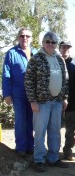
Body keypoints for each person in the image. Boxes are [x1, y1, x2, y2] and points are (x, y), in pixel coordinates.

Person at [25, 32, 69, 172]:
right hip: (41, 103)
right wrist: (32, 101)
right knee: (40, 132)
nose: (50, 44)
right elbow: (28, 81)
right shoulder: (36, 59)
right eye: (48, 41)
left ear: (57, 44)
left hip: (57, 102)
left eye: (53, 42)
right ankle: (39, 160)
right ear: (43, 43)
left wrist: (65, 97)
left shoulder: (60, 59)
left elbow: (66, 80)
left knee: (55, 131)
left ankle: (53, 158)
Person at [2, 27, 37, 157]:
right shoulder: (12, 53)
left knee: (31, 120)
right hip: (18, 93)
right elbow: (6, 74)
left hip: (33, 94)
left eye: (28, 36)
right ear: (18, 37)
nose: (25, 38)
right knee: (21, 120)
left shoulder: (35, 53)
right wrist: (6, 94)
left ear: (31, 39)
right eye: (22, 36)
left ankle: (30, 146)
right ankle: (21, 147)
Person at [59, 40, 75, 161]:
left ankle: (68, 151)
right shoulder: (54, 63)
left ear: (70, 49)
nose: (65, 49)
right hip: (56, 102)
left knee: (70, 130)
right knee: (55, 129)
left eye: (67, 47)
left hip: (72, 103)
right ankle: (54, 152)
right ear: (60, 48)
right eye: (63, 47)